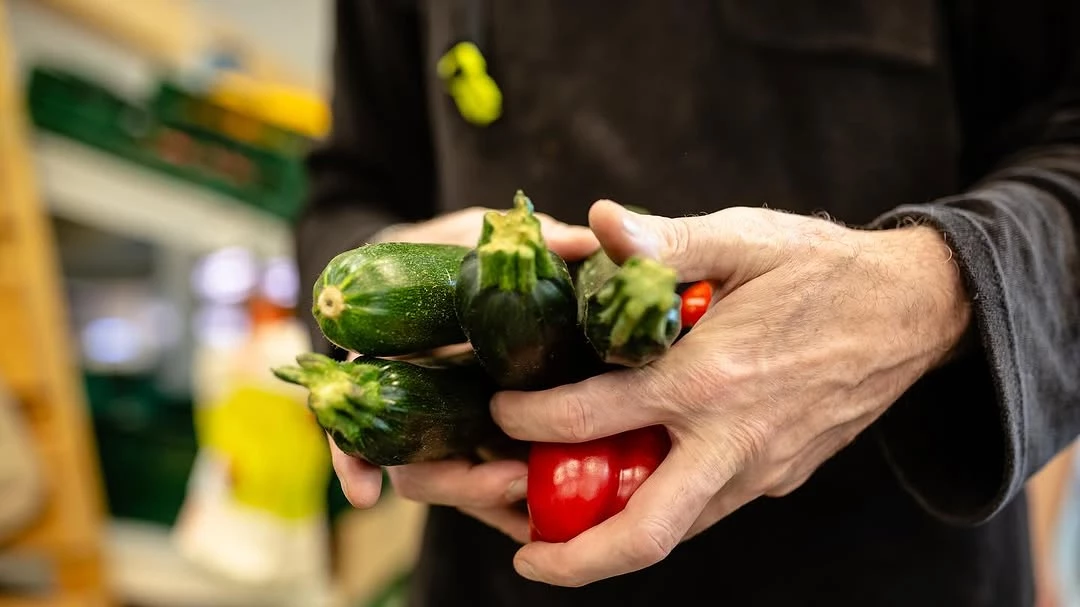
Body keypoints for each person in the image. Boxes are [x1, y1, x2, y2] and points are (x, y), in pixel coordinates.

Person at [294, 1, 1080, 605]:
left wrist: (924, 291)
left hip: (893, 563)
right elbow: (351, 184)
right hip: (500, 557)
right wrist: (394, 294)